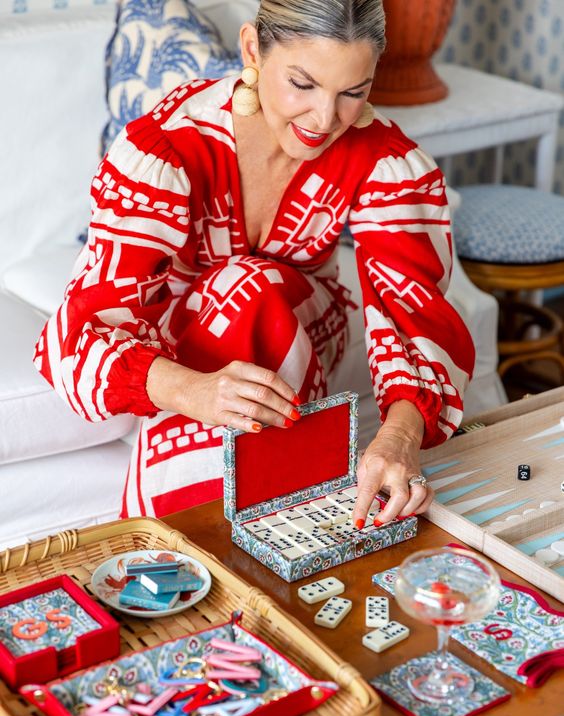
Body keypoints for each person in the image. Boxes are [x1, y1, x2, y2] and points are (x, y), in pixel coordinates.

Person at [34, 0, 475, 529]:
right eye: (303, 84)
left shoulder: (381, 157)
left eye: (352, 93)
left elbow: (413, 314)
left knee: (254, 286)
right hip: (177, 347)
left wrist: (399, 440)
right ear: (252, 50)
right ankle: (274, 523)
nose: (324, 119)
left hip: (304, 326)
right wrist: (193, 390)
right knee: (242, 284)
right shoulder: (169, 149)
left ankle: (184, 544)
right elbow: (76, 336)